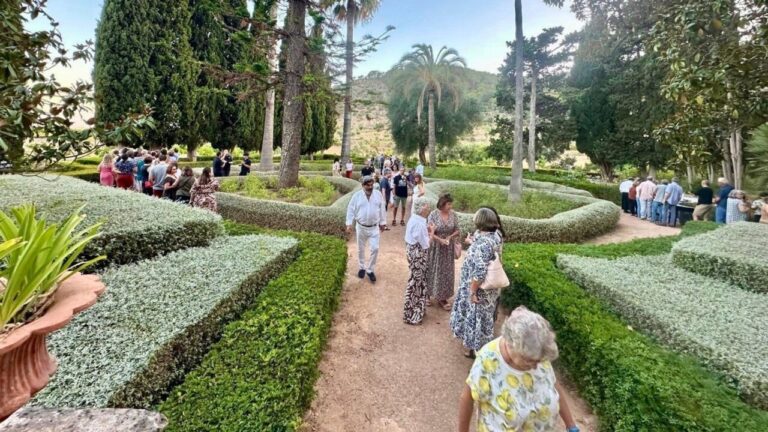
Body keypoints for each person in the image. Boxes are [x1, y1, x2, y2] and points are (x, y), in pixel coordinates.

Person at [458, 306, 579, 432]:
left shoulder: (537, 352)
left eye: (539, 361)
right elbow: (467, 399)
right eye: (529, 361)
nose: (536, 366)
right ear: (511, 345)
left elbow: (552, 383)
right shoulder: (488, 360)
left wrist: (571, 425)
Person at [450, 207, 505, 358]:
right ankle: (477, 349)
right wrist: (472, 241)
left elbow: (480, 272)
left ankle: (478, 353)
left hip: (479, 289)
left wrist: (473, 291)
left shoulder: (483, 244)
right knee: (484, 319)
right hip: (489, 289)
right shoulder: (495, 236)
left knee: (476, 320)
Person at [345, 175, 388, 283]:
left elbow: (382, 208)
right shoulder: (357, 196)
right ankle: (362, 267)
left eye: (371, 185)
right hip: (361, 227)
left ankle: (370, 270)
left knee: (375, 248)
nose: (370, 187)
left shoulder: (378, 195)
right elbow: (350, 209)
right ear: (363, 185)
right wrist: (349, 223)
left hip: (374, 228)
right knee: (361, 249)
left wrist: (383, 223)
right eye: (368, 185)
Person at [403, 197, 434, 325]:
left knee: (418, 282)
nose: (429, 208)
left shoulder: (416, 219)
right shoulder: (419, 223)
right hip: (418, 255)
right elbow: (426, 244)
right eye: (426, 206)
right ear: (421, 208)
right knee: (416, 283)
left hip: (413, 252)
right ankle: (412, 315)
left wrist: (427, 229)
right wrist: (432, 232)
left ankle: (416, 311)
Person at [426, 193, 460, 311]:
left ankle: (442, 297)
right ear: (442, 204)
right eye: (448, 204)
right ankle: (428, 294)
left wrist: (450, 237)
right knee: (432, 269)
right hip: (435, 247)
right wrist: (439, 239)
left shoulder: (453, 215)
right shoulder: (433, 214)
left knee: (446, 272)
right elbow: (429, 231)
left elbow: (457, 230)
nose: (450, 206)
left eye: (451, 204)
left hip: (447, 248)